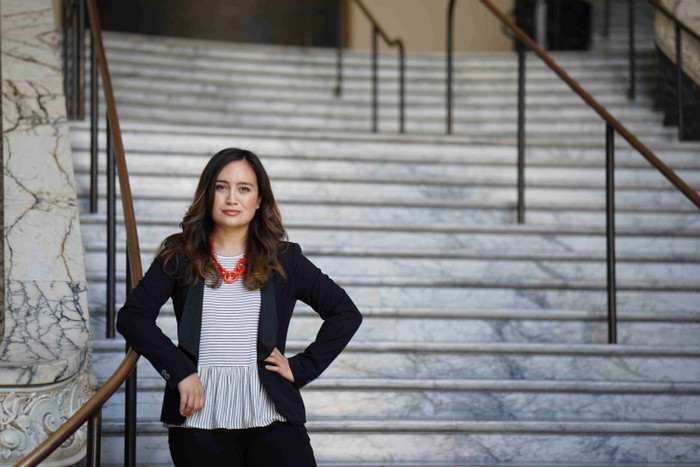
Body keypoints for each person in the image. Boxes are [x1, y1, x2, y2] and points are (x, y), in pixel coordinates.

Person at [117, 148, 362, 466]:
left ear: (259, 200)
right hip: (199, 416)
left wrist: (301, 367)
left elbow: (345, 313)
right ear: (208, 195)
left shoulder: (285, 259)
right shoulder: (180, 254)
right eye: (221, 187)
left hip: (271, 414)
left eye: (244, 188)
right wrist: (180, 371)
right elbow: (132, 317)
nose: (232, 198)